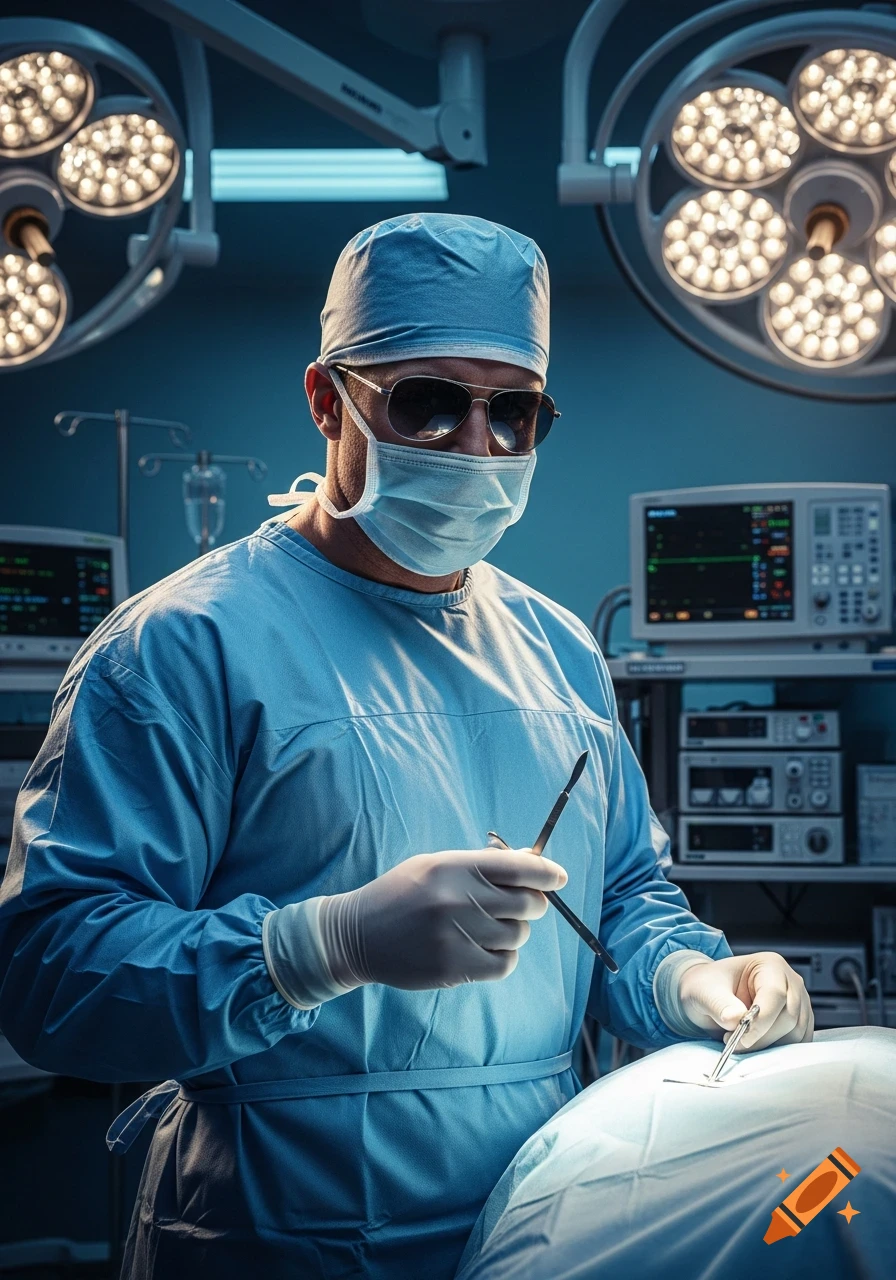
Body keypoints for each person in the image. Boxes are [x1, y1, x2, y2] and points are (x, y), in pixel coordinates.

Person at [0, 213, 813, 1280]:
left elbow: (619, 903)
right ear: (327, 401)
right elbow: (54, 974)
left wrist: (695, 977)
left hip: (538, 1222)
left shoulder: (557, 651)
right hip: (276, 1232)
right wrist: (315, 947)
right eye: (428, 404)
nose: (476, 447)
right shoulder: (182, 646)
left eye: (511, 412)